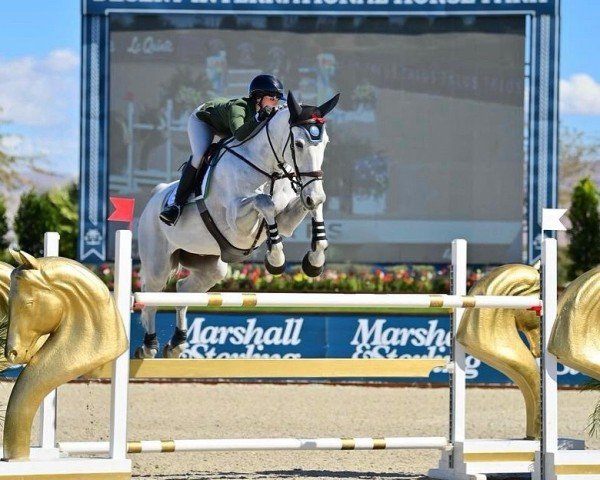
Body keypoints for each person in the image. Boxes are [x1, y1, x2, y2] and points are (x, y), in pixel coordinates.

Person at [159, 73, 285, 226]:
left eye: (277, 99)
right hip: (204, 120)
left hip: (228, 127)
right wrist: (258, 118)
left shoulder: (268, 110)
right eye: (272, 98)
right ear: (258, 97)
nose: (275, 102)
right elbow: (239, 135)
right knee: (200, 156)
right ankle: (175, 204)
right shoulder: (238, 107)